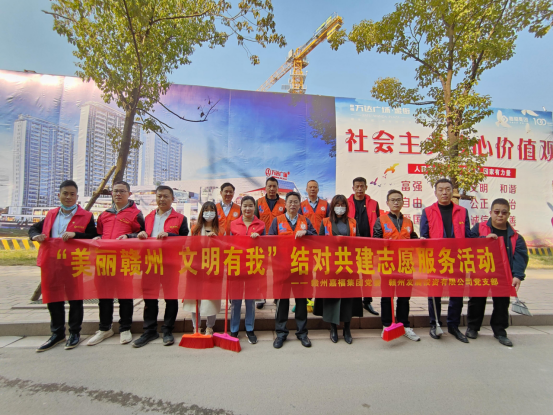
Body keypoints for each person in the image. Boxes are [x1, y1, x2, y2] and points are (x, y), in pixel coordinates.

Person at [29, 180, 97, 352]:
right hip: (51, 263)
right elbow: (34, 229)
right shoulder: (51, 214)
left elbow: (93, 235)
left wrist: (76, 234)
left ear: (77, 197)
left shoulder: (86, 216)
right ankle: (57, 333)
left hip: (74, 262)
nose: (68, 197)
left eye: (72, 194)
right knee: (53, 298)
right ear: (59, 195)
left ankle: (75, 333)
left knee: (75, 298)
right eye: (65, 193)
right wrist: (35, 236)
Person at [87, 181, 144, 347]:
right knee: (104, 295)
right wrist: (98, 238)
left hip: (125, 259)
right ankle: (104, 328)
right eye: (115, 191)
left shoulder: (136, 214)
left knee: (125, 295)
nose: (118, 194)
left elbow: (142, 234)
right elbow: (99, 233)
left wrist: (129, 236)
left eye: (122, 191)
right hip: (104, 259)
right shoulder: (104, 214)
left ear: (129, 194)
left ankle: (125, 328)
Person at [131, 185, 189, 348]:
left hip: (170, 263)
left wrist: (170, 235)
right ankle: (149, 330)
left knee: (170, 297)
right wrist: (140, 235)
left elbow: (184, 240)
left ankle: (167, 330)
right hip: (150, 262)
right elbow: (140, 234)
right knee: (150, 297)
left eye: (165, 196)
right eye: (159, 196)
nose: (162, 199)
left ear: (172, 199)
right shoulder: (148, 217)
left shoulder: (180, 218)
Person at [466, 198, 529, 347]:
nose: (500, 215)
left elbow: (520, 257)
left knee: (502, 303)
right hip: (481, 271)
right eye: (497, 212)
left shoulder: (515, 237)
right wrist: (484, 239)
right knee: (476, 300)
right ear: (491, 213)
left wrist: (517, 276)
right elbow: (468, 243)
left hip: (502, 275)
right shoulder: (479, 228)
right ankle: (473, 328)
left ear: (509, 215)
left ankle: (500, 331)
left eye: (504, 212)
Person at [420, 178, 472, 343]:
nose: (444, 193)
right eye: (441, 189)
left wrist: (486, 239)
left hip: (457, 260)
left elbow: (468, 235)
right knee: (434, 294)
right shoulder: (428, 211)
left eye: (448, 189)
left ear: (452, 192)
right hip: (436, 260)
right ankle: (435, 324)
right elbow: (424, 236)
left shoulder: (462, 212)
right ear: (435, 192)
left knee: (457, 295)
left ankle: (453, 326)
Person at [269, 191, 317, 349]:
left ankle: (302, 333)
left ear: (299, 204)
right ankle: (281, 333)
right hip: (282, 268)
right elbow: (269, 241)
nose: (293, 204)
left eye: (296, 202)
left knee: (301, 301)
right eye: (290, 202)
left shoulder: (305, 221)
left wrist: (307, 232)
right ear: (285, 204)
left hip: (301, 267)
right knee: (282, 301)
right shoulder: (277, 221)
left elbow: (317, 238)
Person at [313, 194, 362, 344]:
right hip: (331, 265)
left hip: (349, 265)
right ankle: (333, 328)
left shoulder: (353, 222)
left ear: (346, 207)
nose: (340, 208)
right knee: (332, 297)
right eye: (337, 205)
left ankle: (347, 328)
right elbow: (319, 242)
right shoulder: (325, 222)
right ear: (332, 207)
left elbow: (359, 241)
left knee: (348, 297)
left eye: (342, 205)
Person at [373, 189, 420, 342]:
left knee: (404, 296)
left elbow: (414, 238)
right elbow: (375, 241)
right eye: (393, 200)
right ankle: (387, 325)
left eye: (399, 199)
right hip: (387, 264)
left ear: (403, 202)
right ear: (387, 203)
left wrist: (422, 241)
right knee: (387, 296)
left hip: (405, 264)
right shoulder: (381, 220)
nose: (396, 202)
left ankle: (404, 324)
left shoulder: (408, 222)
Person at [182, 201, 224, 335]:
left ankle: (210, 326)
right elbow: (186, 247)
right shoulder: (194, 229)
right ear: (202, 213)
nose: (209, 213)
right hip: (196, 270)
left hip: (212, 270)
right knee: (195, 299)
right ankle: (196, 327)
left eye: (212, 210)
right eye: (206, 210)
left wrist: (216, 240)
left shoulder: (220, 230)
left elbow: (225, 250)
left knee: (211, 299)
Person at [229, 196, 266, 344]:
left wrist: (259, 239)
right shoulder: (233, 224)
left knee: (250, 300)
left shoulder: (261, 224)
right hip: (237, 266)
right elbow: (229, 245)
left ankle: (250, 329)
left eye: (250, 206)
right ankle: (234, 329)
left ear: (254, 208)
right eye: (245, 206)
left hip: (253, 266)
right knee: (236, 300)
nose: (247, 209)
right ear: (241, 207)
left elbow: (266, 246)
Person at [347, 177, 380, 316]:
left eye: (362, 186)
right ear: (353, 188)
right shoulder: (346, 203)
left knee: (367, 274)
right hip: (351, 245)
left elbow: (378, 223)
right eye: (357, 186)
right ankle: (353, 302)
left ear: (366, 187)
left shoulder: (374, 203)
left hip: (368, 245)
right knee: (352, 273)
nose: (359, 189)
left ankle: (367, 301)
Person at [255, 176, 286, 309]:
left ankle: (277, 296)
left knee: (277, 271)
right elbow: (255, 220)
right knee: (261, 269)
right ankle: (261, 297)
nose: (272, 188)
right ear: (265, 188)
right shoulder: (258, 202)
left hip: (278, 242)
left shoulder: (284, 203)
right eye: (269, 186)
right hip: (261, 241)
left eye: (274, 186)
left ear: (278, 188)